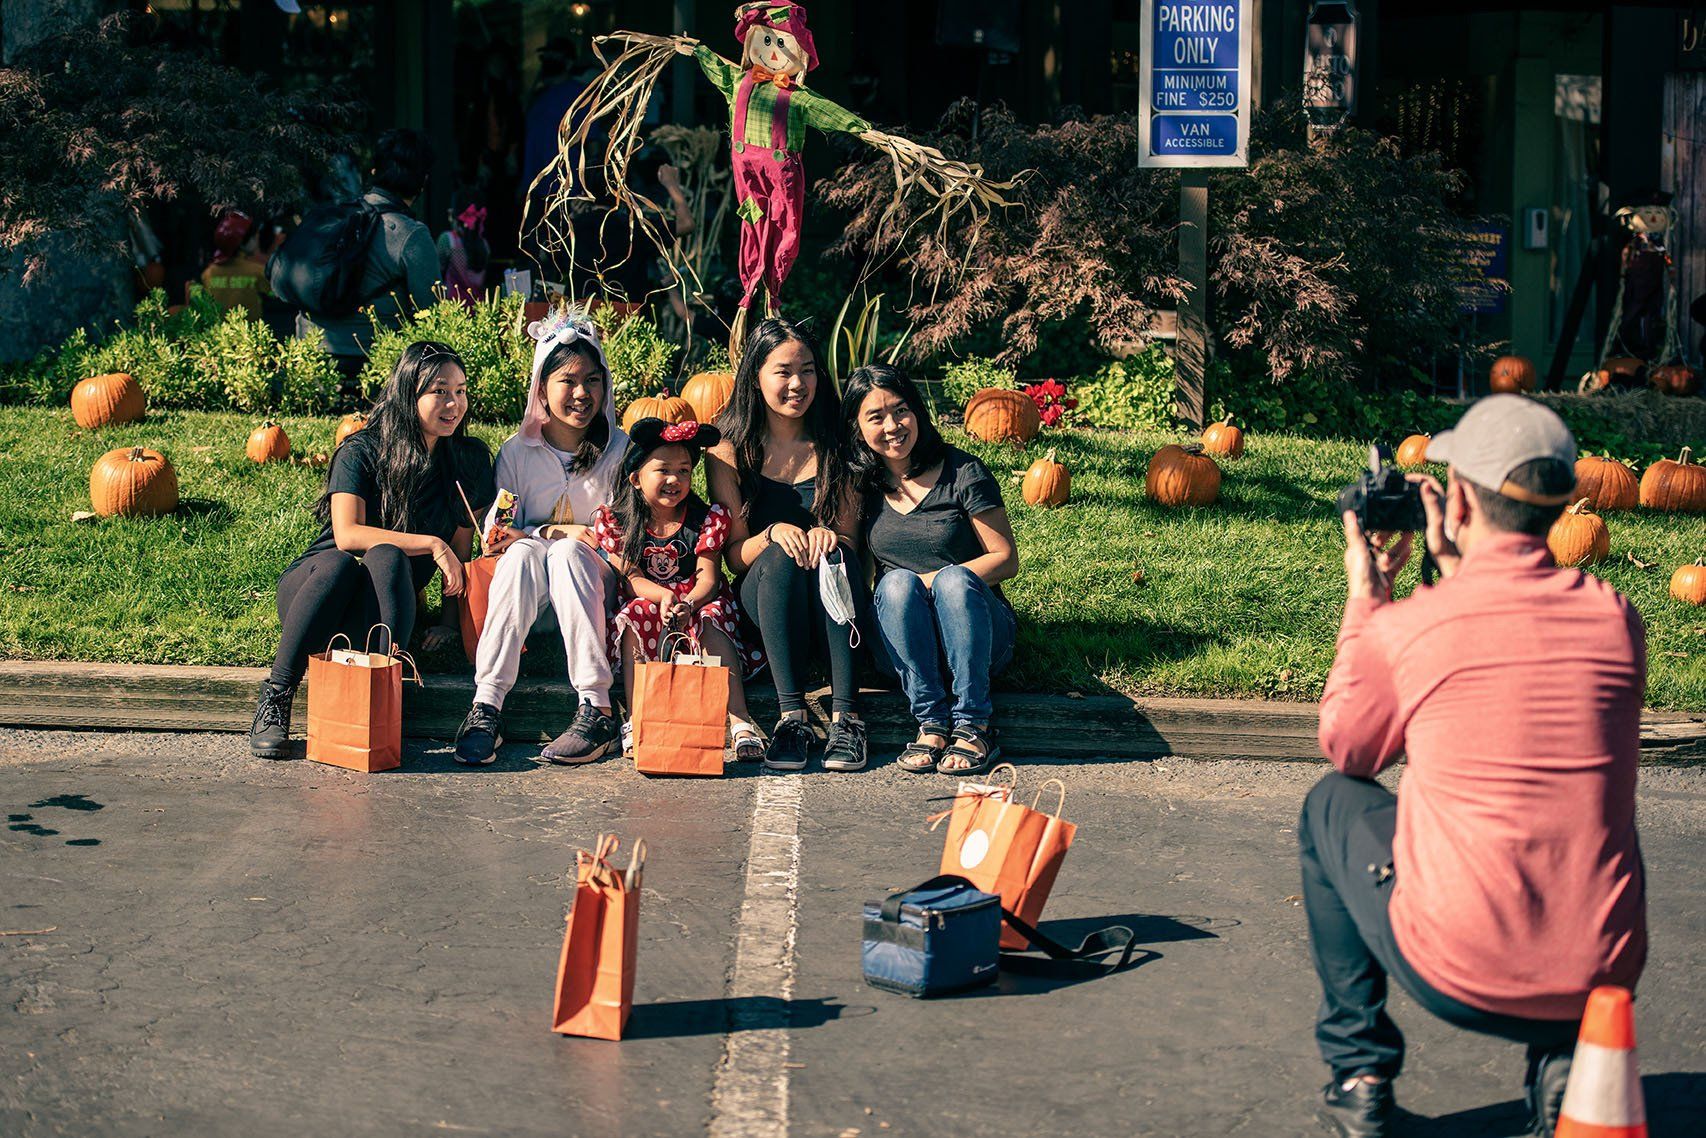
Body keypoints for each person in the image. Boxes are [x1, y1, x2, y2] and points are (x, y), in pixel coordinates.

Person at [1303, 395, 1647, 1138]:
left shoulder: (1413, 627)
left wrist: (1367, 599)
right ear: (1558, 506)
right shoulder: (1617, 618)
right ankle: (1565, 1063)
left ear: (1456, 497)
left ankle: (1360, 1074)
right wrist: (1458, 567)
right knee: (1574, 799)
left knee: (1331, 802)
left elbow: (1351, 749)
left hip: (1460, 971)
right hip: (1600, 978)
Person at [250, 342, 494, 759]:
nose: (453, 403)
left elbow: (461, 551)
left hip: (385, 606)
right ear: (407, 394)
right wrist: (430, 544)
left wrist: (451, 623)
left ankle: (382, 695)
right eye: (439, 391)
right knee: (343, 563)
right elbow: (347, 534)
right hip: (321, 594)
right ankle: (276, 697)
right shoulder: (361, 450)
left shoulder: (467, 459)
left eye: (461, 390)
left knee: (389, 557)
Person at [453, 311, 629, 766]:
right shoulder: (517, 453)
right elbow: (501, 532)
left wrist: (562, 537)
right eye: (567, 381)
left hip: (595, 593)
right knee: (523, 555)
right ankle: (486, 704)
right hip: (531, 604)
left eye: (593, 380)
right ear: (541, 387)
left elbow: (614, 537)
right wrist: (539, 531)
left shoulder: (620, 451)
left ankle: (597, 706)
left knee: (568, 553)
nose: (582, 393)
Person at [706, 317, 869, 772]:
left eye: (809, 370)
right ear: (755, 376)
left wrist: (830, 535)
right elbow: (734, 557)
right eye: (783, 371)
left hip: (832, 608)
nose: (798, 383)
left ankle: (846, 718)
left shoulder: (839, 440)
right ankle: (791, 717)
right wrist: (773, 532)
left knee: (835, 554)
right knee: (777, 553)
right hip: (768, 604)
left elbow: (852, 542)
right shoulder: (728, 449)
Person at [843, 365, 1019, 774]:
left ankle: (974, 725)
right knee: (895, 585)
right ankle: (931, 723)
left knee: (954, 579)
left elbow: (1005, 558)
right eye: (875, 417)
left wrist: (933, 583)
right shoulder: (864, 487)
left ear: (918, 411)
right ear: (857, 427)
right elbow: (864, 576)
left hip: (978, 638)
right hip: (906, 646)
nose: (893, 425)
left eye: (901, 410)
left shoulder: (963, 471)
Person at [591, 418, 766, 761]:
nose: (675, 479)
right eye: (663, 470)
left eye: (684, 470)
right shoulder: (618, 520)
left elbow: (708, 577)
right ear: (635, 478)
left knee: (710, 620)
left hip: (697, 600)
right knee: (634, 617)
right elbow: (634, 579)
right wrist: (662, 596)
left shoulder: (705, 519)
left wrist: (687, 602)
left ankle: (739, 720)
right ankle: (638, 715)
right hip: (649, 597)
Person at [294, 129, 441, 392]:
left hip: (311, 354)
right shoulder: (412, 235)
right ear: (423, 181)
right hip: (373, 366)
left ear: (373, 172)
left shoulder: (332, 219)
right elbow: (431, 314)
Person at [200, 209, 272, 318]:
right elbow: (276, 294)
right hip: (249, 333)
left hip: (218, 334)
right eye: (254, 237)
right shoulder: (257, 271)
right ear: (242, 243)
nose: (257, 240)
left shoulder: (208, 273)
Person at [437, 193, 491, 306]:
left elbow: (437, 273)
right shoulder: (485, 245)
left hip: (455, 313)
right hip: (480, 312)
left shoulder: (447, 240)